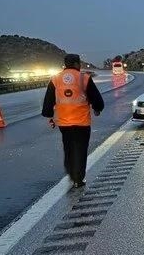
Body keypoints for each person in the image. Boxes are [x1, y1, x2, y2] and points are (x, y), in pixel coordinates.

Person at [42, 54, 104, 188]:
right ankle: (78, 178)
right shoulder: (84, 78)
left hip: (64, 123)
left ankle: (71, 173)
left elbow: (48, 101)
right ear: (77, 64)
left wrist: (49, 115)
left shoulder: (56, 79)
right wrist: (97, 108)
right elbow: (96, 98)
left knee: (68, 148)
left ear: (65, 64)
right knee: (80, 149)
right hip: (82, 122)